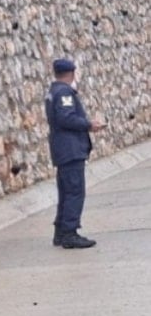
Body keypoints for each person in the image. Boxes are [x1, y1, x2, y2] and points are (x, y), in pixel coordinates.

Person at [46, 58, 105, 249]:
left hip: (62, 149)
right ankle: (69, 233)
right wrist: (89, 124)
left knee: (66, 192)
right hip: (70, 149)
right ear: (71, 73)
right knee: (74, 191)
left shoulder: (53, 92)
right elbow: (66, 118)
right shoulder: (64, 92)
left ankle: (61, 232)